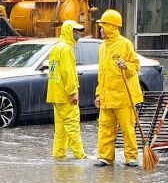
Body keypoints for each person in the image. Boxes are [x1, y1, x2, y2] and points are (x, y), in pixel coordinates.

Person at [93, 9, 143, 167]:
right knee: (105, 128)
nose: (100, 29)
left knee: (127, 128)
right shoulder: (102, 48)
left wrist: (126, 66)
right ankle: (105, 157)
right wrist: (98, 94)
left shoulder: (125, 44)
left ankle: (131, 157)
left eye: (103, 26)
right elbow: (102, 74)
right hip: (107, 96)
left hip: (123, 96)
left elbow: (135, 66)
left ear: (111, 27)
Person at [47, 19, 87, 160]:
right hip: (65, 95)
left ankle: (59, 155)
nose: (78, 34)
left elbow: (53, 71)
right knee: (72, 126)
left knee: (61, 130)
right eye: (75, 31)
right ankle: (80, 156)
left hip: (55, 94)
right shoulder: (66, 49)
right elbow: (68, 72)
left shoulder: (57, 47)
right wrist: (73, 92)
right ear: (69, 32)